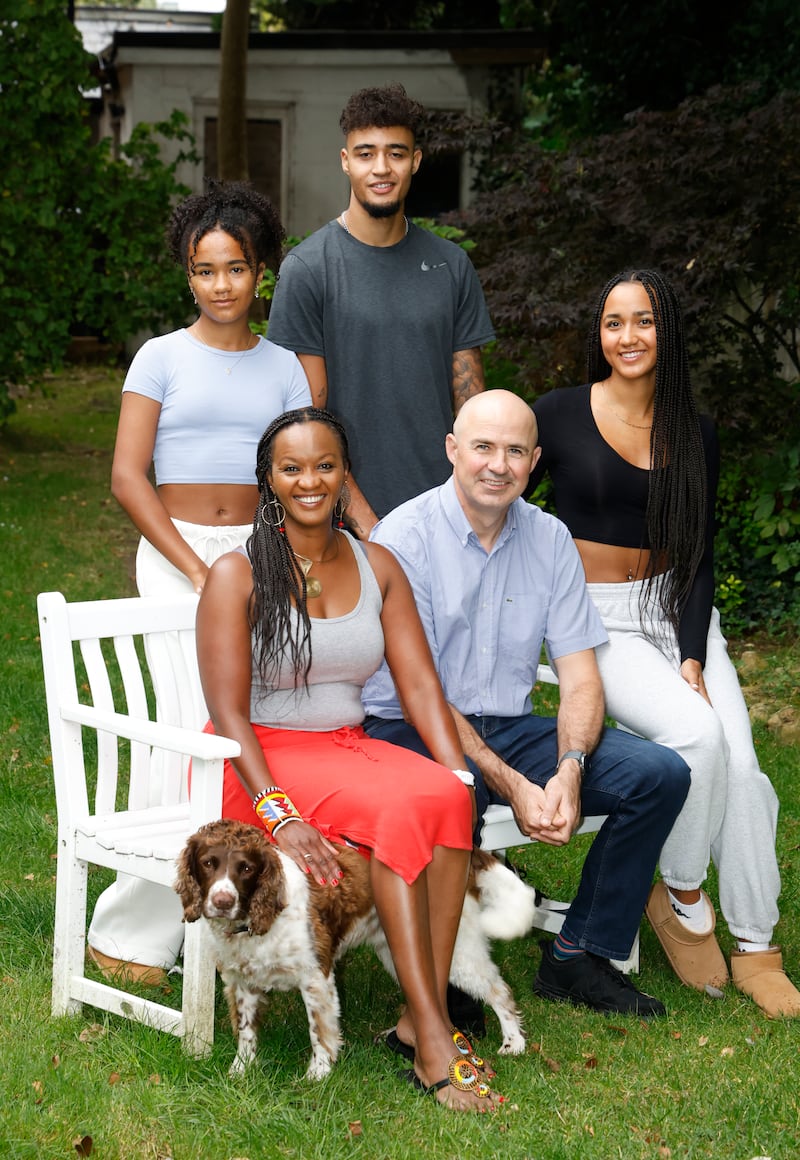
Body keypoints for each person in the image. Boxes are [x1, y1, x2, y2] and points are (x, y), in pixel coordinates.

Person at [195, 406, 500, 1113]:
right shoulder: (236, 575)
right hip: (261, 762)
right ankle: (433, 1038)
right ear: (268, 479)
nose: (310, 481)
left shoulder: (377, 563)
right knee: (400, 810)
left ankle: (419, 1013)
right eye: (291, 468)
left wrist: (455, 768)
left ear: (343, 473)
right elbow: (230, 715)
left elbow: (421, 682)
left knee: (450, 799)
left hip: (345, 750)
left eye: (324, 465)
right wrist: (282, 815)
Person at [361, 389, 691, 1017]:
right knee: (457, 791)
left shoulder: (549, 539)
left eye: (515, 451)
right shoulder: (403, 538)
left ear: (534, 459)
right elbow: (419, 688)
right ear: (453, 450)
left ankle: (580, 955)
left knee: (658, 775)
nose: (498, 464)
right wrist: (513, 783)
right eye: (483, 447)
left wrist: (570, 766)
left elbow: (580, 677)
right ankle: (448, 985)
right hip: (409, 726)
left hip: (509, 726)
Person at [529, 268, 800, 1018]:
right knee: (697, 735)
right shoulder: (556, 414)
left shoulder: (694, 431)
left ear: (666, 331)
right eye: (614, 322)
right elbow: (494, 501)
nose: (628, 337)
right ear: (599, 335)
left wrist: (690, 650)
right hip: (593, 619)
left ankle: (756, 943)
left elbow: (701, 552)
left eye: (643, 321)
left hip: (674, 606)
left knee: (743, 767)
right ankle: (682, 895)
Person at [87, 181, 312, 984]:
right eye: (204, 269)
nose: (221, 284)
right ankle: (136, 931)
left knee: (243, 726)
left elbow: (294, 475)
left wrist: (270, 562)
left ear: (261, 274)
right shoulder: (160, 357)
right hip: (178, 556)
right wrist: (193, 566)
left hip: (256, 554)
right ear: (188, 274)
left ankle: (232, 914)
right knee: (179, 729)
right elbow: (126, 475)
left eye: (236, 268)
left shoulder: (286, 367)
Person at [267, 82, 495, 536]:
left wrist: (473, 501)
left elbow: (472, 406)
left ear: (415, 161)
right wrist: (370, 526)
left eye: (395, 152)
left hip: (444, 515)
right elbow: (305, 422)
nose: (381, 168)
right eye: (366, 153)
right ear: (346, 161)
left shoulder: (451, 265)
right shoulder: (308, 269)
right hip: (344, 525)